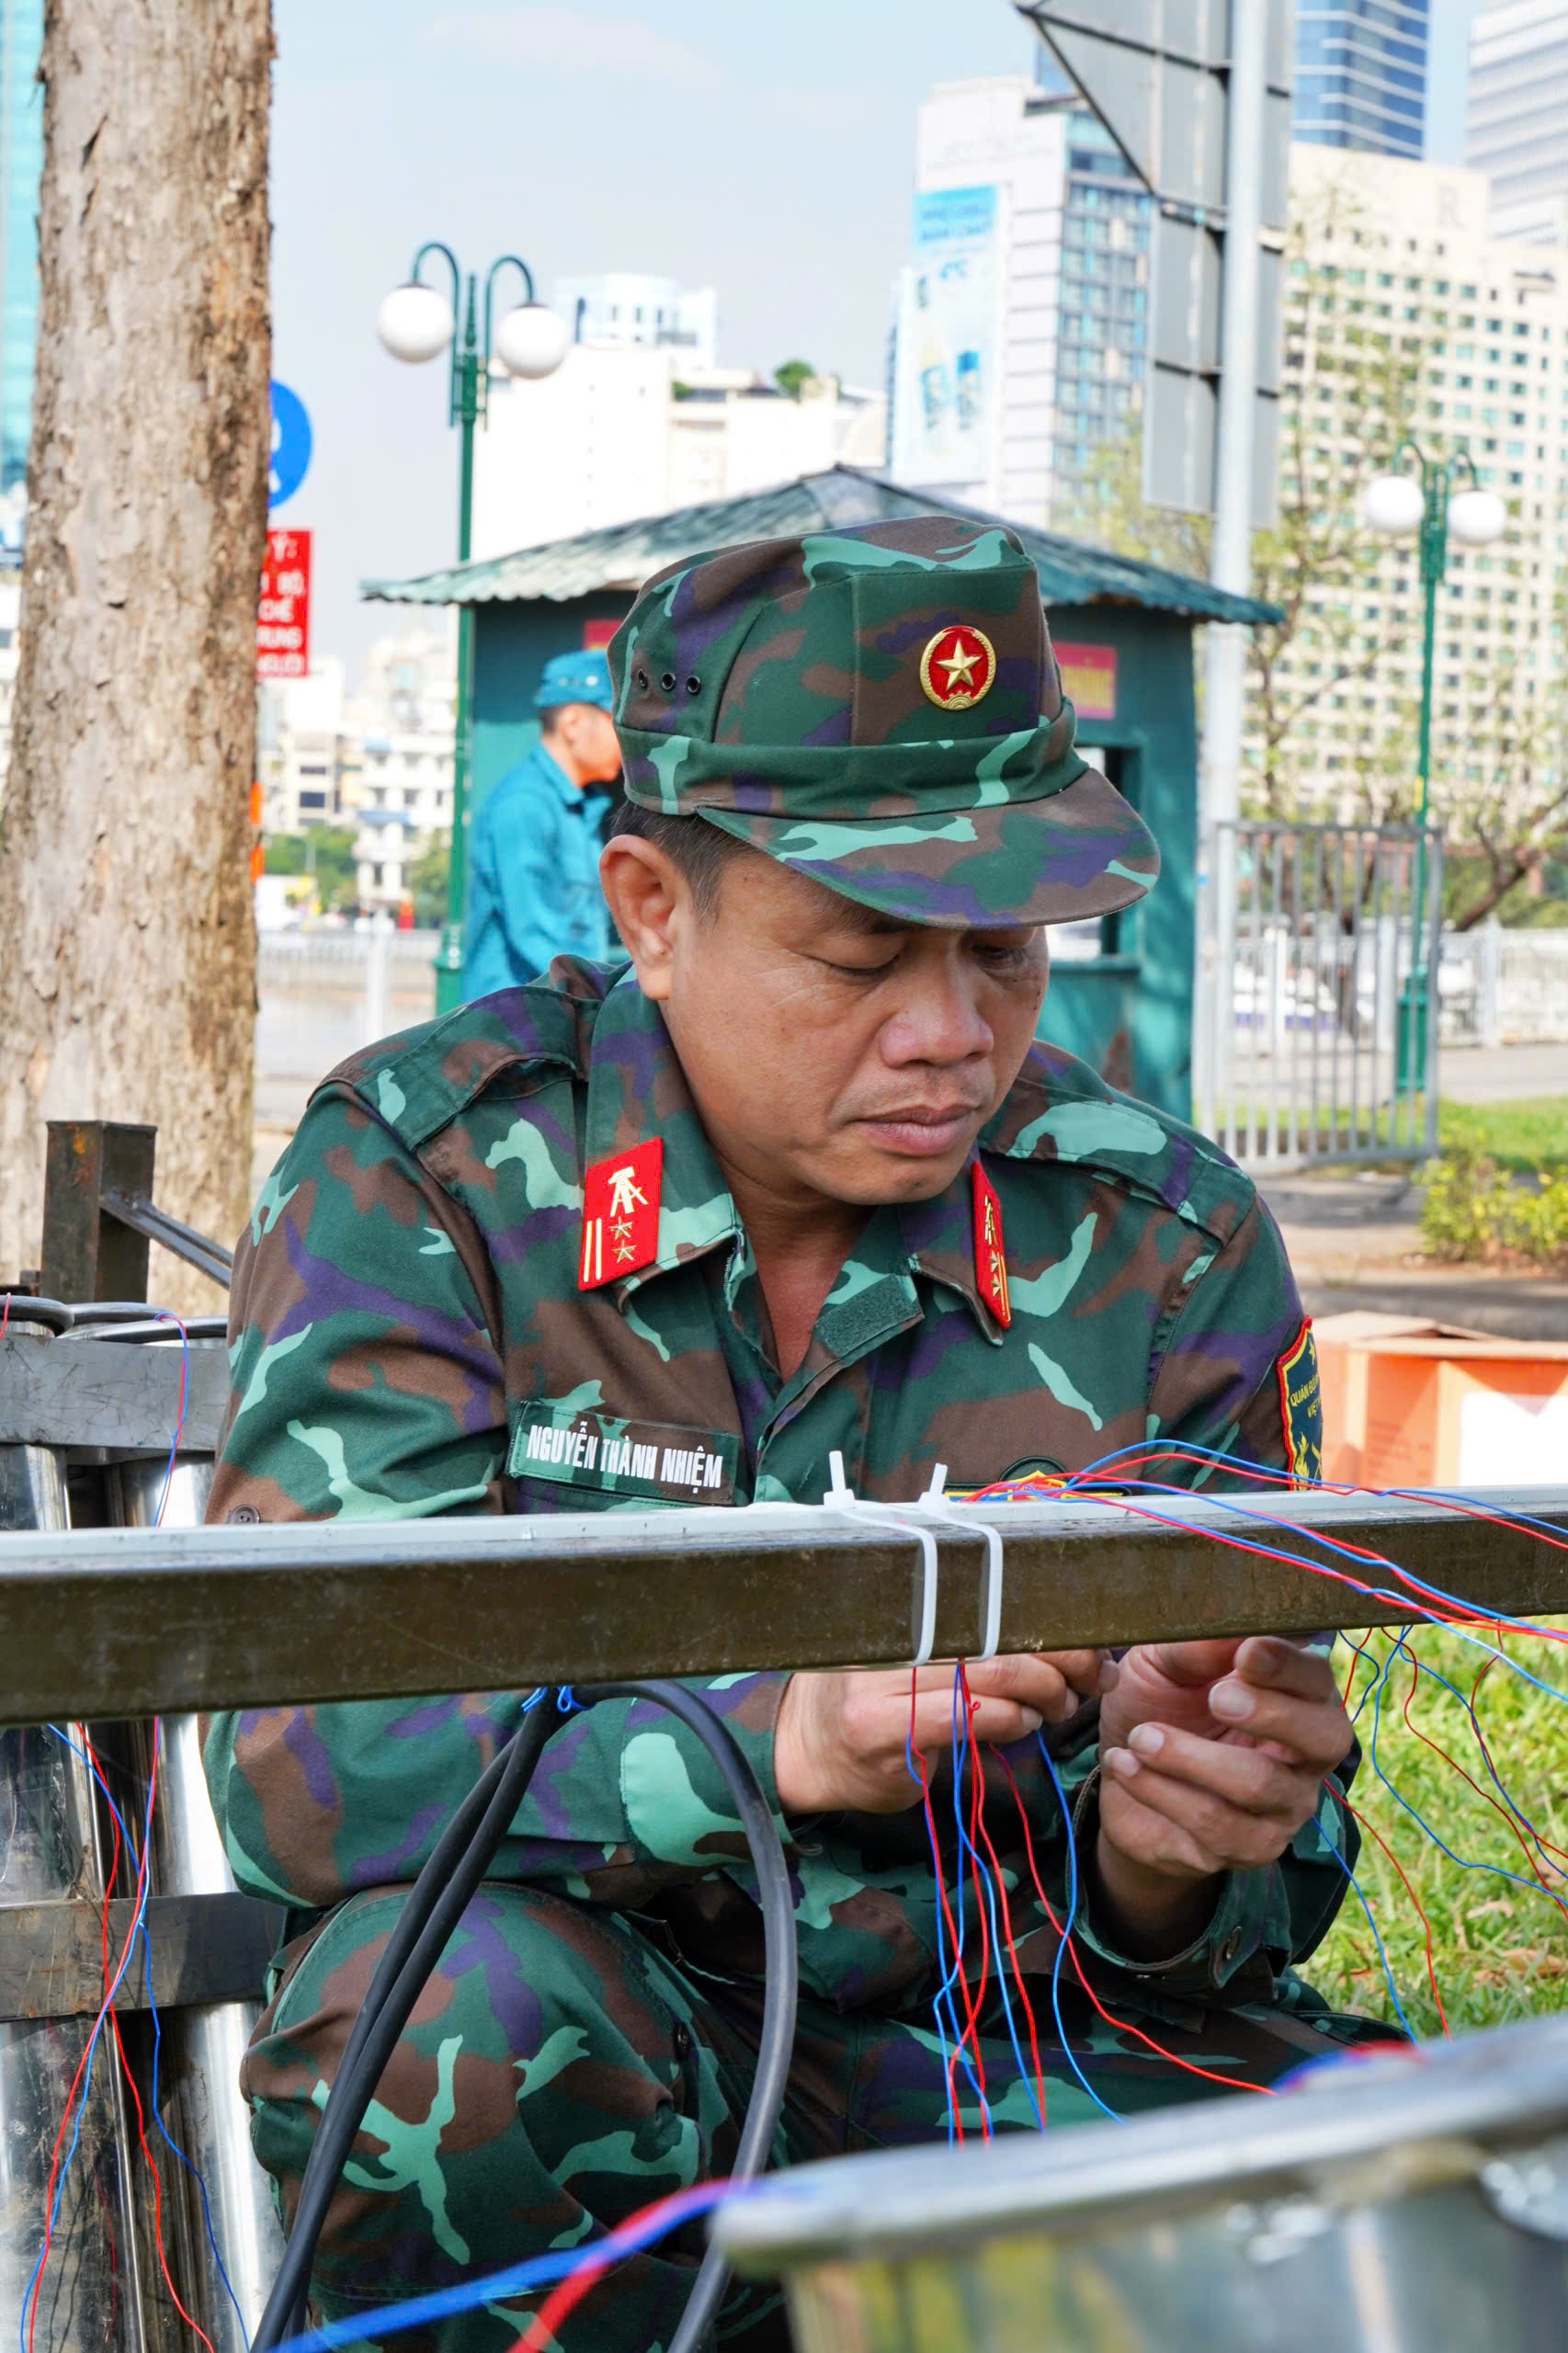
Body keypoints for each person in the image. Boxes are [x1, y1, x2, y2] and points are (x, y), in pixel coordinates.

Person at [207, 517, 1384, 2353]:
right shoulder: (437, 1171)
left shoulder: (1163, 1239)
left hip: (1007, 2049)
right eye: (860, 955)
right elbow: (300, 1755)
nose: (952, 1031)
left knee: (1407, 2188)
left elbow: (1255, 1885)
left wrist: (1180, 1850)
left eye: (1006, 947)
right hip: (605, 2029)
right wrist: (772, 1737)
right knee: (448, 2025)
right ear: (651, 910)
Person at [461, 646, 623, 997]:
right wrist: (602, 1001)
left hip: (558, 1016)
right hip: (512, 1031)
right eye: (615, 721)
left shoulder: (583, 806)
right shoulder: (524, 805)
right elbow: (535, 934)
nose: (624, 740)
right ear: (573, 723)